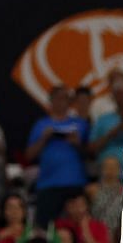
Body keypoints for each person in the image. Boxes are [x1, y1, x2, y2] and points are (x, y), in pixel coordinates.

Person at [27, 87, 92, 227]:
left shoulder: (80, 124)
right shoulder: (41, 125)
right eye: (58, 98)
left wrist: (77, 144)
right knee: (45, 226)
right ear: (51, 101)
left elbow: (91, 153)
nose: (62, 102)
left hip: (75, 183)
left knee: (78, 227)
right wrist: (44, 138)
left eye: (65, 98)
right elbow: (29, 155)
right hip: (48, 184)